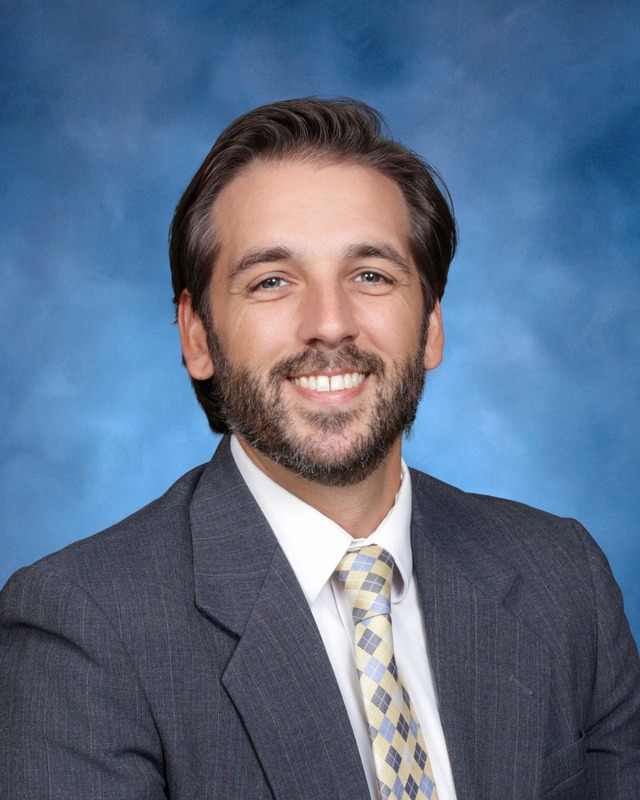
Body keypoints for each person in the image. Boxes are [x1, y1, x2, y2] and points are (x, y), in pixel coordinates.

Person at [1, 98, 638, 800]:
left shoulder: (563, 578)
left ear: (430, 324)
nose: (330, 324)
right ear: (197, 336)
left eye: (371, 275)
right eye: (271, 281)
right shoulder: (85, 625)